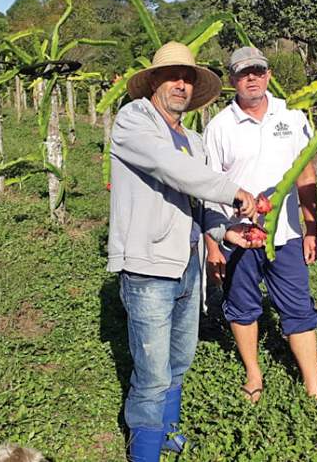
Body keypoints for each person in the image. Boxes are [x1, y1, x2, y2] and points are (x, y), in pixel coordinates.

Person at [107, 41, 262, 461]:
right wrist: (235, 191)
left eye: (188, 77)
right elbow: (170, 169)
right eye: (172, 75)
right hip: (149, 264)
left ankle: (167, 432)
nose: (181, 83)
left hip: (187, 263)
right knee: (153, 373)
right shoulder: (133, 120)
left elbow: (199, 199)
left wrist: (226, 232)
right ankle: (145, 452)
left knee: (179, 360)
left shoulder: (192, 139)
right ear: (153, 81)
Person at [203, 46, 317, 403]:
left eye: (258, 70)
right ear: (232, 80)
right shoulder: (219, 127)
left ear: (269, 75)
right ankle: (254, 376)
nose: (252, 78)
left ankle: (313, 387)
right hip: (239, 236)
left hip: (285, 234)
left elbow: (305, 173)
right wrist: (213, 245)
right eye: (243, 73)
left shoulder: (293, 118)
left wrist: (311, 228)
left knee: (298, 307)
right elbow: (209, 188)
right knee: (242, 306)